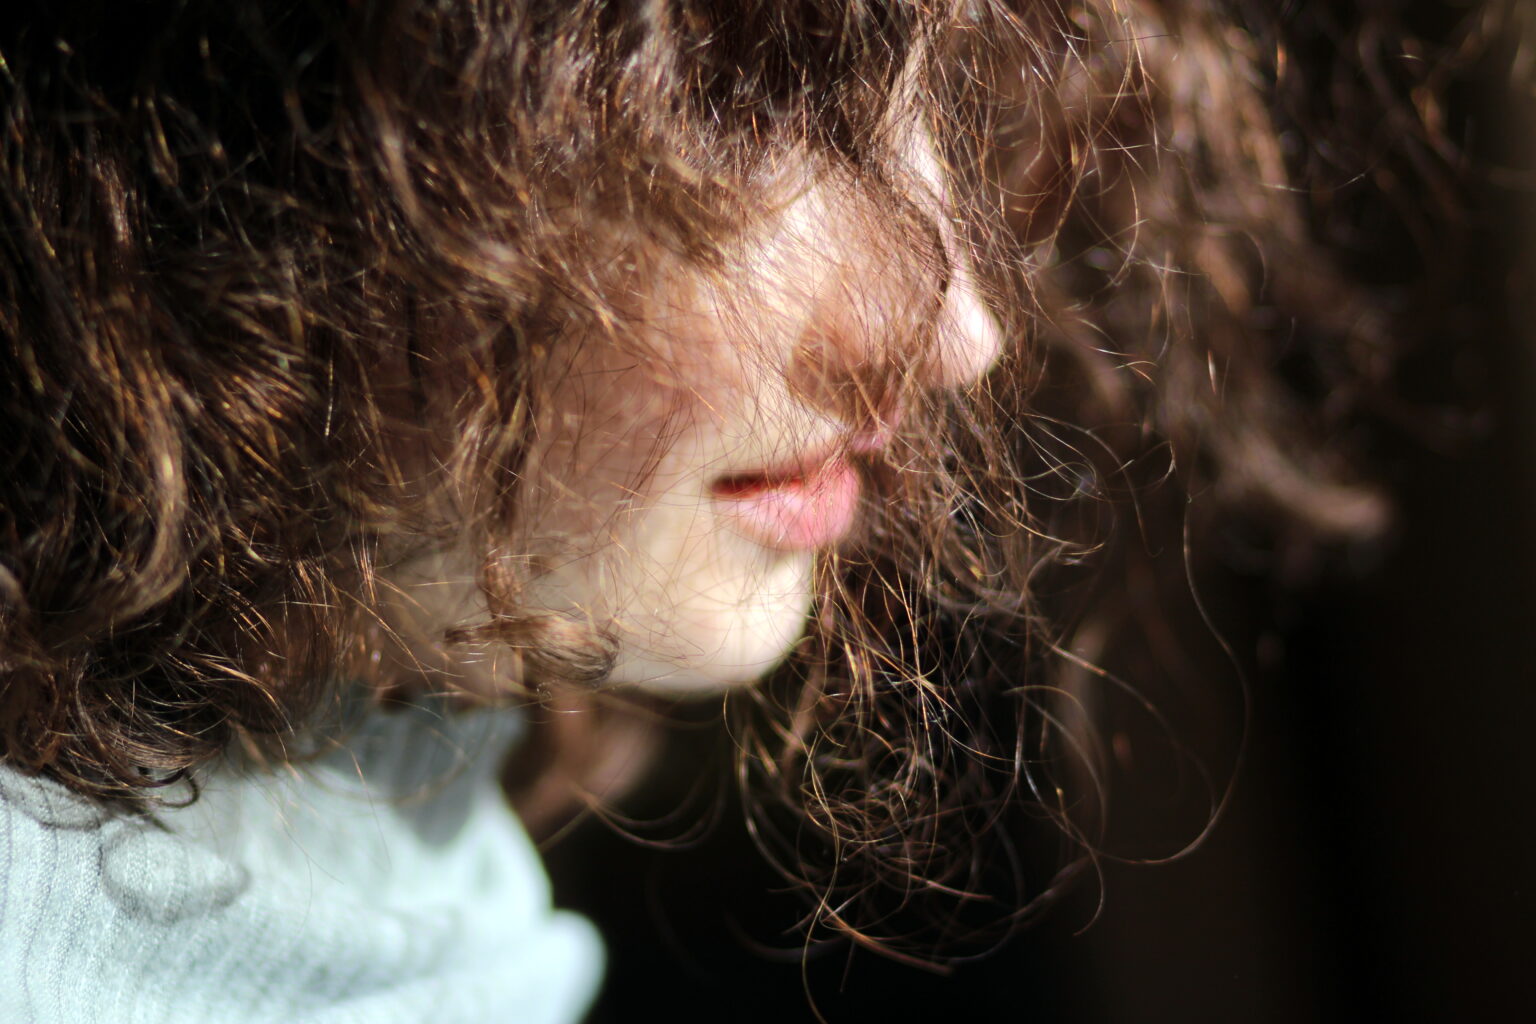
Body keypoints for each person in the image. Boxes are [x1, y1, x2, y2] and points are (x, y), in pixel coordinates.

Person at [0, 1, 1470, 1021]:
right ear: (217, 122)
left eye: (944, 106)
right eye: (746, 110)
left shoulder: (384, 827)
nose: (958, 329)